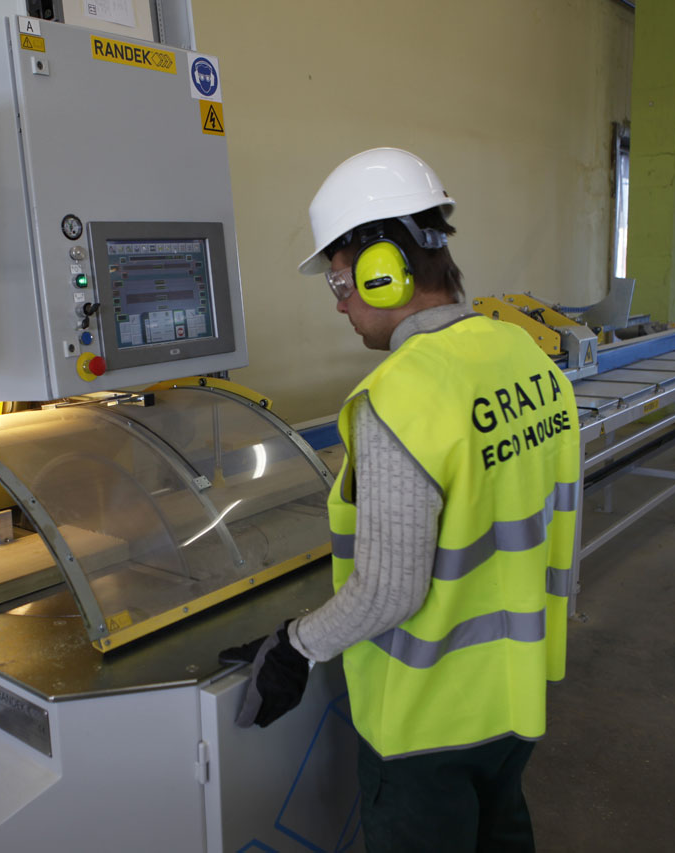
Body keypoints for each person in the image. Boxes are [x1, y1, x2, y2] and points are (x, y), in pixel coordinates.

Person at [220, 148, 580, 851]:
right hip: (517, 694)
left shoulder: (401, 395)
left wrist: (294, 646)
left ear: (383, 272)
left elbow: (389, 589)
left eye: (341, 281)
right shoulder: (529, 360)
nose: (340, 304)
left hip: (427, 722)